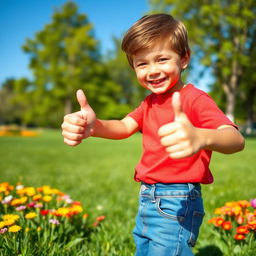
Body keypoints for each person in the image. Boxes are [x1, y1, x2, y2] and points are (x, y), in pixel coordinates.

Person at [61, 14, 245, 256]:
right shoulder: (149, 103)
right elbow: (125, 127)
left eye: (162, 59)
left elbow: (235, 139)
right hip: (148, 195)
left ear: (184, 58)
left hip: (177, 200)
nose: (152, 70)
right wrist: (95, 127)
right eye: (142, 63)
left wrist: (201, 137)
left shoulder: (194, 99)